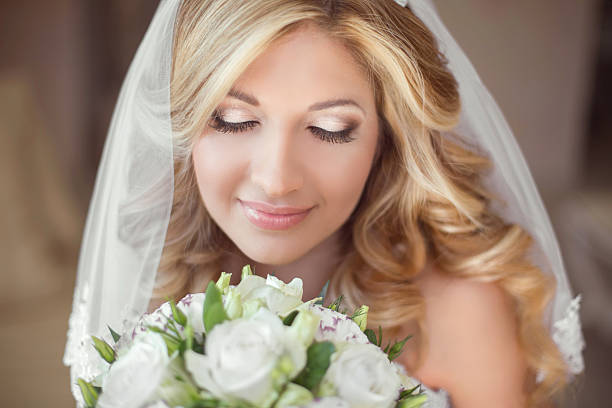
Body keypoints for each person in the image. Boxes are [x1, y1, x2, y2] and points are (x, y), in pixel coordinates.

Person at [63, 1, 585, 407]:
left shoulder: (457, 310)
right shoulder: (149, 285)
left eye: (329, 129)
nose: (276, 179)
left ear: (385, 137)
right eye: (234, 120)